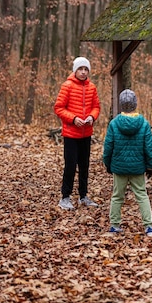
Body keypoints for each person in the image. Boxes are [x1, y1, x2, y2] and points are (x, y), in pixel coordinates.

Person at [103, 89, 152, 237]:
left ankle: (114, 225)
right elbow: (149, 146)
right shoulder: (143, 123)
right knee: (142, 195)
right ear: (135, 104)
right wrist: (150, 165)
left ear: (121, 105)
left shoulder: (114, 123)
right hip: (137, 167)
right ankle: (148, 226)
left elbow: (108, 146)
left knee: (117, 196)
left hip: (119, 167)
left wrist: (107, 163)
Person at [54, 56, 101, 210]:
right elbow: (59, 108)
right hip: (71, 134)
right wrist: (73, 119)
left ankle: (83, 196)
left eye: (85, 69)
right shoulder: (67, 86)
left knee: (85, 165)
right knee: (70, 165)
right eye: (80, 69)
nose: (83, 72)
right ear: (75, 70)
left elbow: (96, 107)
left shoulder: (92, 87)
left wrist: (91, 117)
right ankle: (65, 197)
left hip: (86, 133)